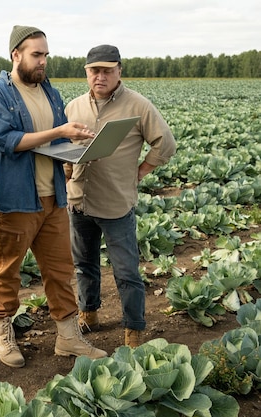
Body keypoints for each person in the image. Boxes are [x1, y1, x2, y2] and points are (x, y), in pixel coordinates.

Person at [0, 25, 108, 368]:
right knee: (8, 270)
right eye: (37, 55)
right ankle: (4, 333)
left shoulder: (49, 92)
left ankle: (68, 337)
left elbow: (50, 143)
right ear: (15, 55)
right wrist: (60, 131)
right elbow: (6, 140)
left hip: (52, 197)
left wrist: (72, 144)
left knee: (60, 270)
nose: (43, 62)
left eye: (46, 55)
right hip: (14, 199)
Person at [64, 44, 176, 348]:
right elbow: (65, 149)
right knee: (83, 264)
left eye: (106, 70)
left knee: (126, 271)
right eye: (94, 71)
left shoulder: (138, 105)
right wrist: (64, 166)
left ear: (118, 71)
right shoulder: (73, 107)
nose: (100, 76)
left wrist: (140, 172)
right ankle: (89, 314)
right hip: (78, 201)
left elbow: (165, 143)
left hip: (116, 203)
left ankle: (133, 329)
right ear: (86, 73)